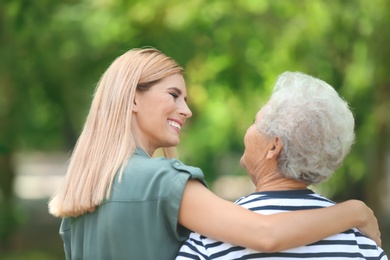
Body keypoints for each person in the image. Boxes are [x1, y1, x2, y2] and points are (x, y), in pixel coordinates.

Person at [48, 49, 381, 260]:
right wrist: (355, 211)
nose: (186, 110)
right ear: (133, 99)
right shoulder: (163, 181)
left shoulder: (81, 195)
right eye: (174, 95)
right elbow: (266, 235)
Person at [176, 71, 387, 259]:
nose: (248, 130)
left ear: (273, 147)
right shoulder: (362, 244)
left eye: (255, 122)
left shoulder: (212, 238)